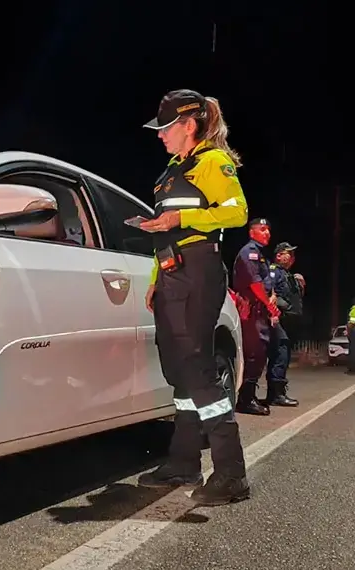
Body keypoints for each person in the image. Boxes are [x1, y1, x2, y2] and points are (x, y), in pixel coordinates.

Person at [135, 89, 250, 506]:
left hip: (198, 270)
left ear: (189, 125)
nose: (160, 135)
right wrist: (153, 276)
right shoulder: (172, 168)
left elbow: (237, 212)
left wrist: (182, 216)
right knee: (178, 370)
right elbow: (164, 232)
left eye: (166, 128)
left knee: (197, 367)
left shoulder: (213, 162)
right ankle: (184, 461)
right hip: (170, 273)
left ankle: (231, 473)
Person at [231, 218, 281, 416]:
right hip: (250, 311)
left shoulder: (260, 255)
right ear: (252, 233)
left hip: (259, 310)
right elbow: (254, 283)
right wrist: (269, 305)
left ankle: (248, 396)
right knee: (253, 354)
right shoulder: (249, 253)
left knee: (259, 354)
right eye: (262, 229)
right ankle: (245, 399)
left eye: (268, 229)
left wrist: (272, 298)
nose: (267, 233)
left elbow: (265, 284)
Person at [265, 242, 303, 406]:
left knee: (282, 354)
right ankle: (276, 394)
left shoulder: (287, 275)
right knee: (280, 354)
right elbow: (269, 293)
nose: (292, 256)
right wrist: (280, 308)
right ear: (279, 255)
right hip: (278, 319)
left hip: (287, 321)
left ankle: (276, 393)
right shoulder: (274, 272)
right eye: (288, 253)